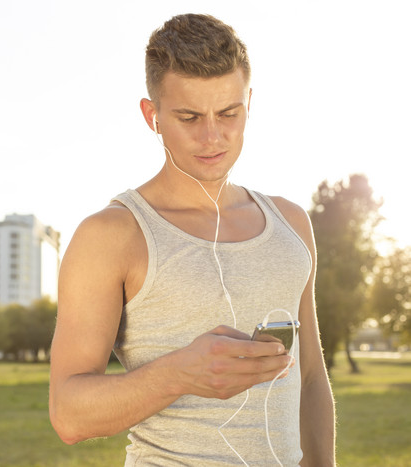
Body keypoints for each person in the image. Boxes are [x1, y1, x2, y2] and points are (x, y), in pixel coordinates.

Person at [48, 13, 335, 466]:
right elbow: (68, 414)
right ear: (152, 116)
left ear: (249, 103)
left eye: (229, 113)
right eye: (188, 117)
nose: (212, 136)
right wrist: (178, 374)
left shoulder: (292, 223)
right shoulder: (110, 236)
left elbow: (313, 378)